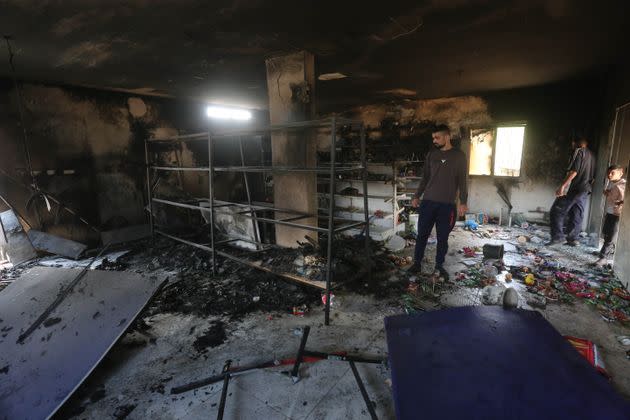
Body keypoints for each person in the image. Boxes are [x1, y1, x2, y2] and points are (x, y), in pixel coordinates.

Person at [409, 124, 468, 279]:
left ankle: (439, 266)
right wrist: (416, 196)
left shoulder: (459, 156)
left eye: (437, 137)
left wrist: (463, 202)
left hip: (447, 206)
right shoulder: (431, 155)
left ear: (447, 137)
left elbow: (463, 180)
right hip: (428, 203)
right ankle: (416, 264)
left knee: (443, 238)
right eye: (433, 138)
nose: (434, 140)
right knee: (422, 235)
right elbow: (425, 178)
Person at [547, 138, 595, 246]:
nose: (572, 145)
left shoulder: (579, 152)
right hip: (585, 189)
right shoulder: (592, 155)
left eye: (573, 143)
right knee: (577, 213)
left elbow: (574, 171)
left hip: (575, 188)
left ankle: (558, 237)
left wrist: (563, 186)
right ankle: (573, 239)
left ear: (576, 142)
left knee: (557, 211)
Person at [595, 165, 626, 266]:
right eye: (608, 173)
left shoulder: (622, 184)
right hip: (610, 212)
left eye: (612, 173)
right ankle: (606, 253)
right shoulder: (613, 183)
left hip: (617, 214)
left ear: (620, 173)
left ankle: (604, 258)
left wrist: (619, 203)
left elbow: (623, 201)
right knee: (607, 233)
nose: (609, 175)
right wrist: (608, 193)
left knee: (611, 236)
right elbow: (614, 196)